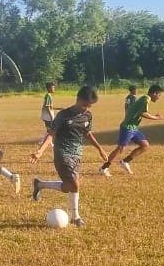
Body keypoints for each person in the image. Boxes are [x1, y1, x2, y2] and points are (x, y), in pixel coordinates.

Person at [29, 85, 107, 228]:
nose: (86, 108)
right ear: (77, 99)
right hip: (62, 154)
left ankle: (40, 184)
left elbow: (87, 133)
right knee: (75, 184)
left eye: (89, 106)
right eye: (84, 105)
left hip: (77, 154)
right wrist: (40, 151)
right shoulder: (63, 115)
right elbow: (51, 134)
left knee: (67, 187)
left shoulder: (88, 116)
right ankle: (76, 217)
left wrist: (100, 148)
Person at [99, 84, 163, 176]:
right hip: (128, 127)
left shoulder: (145, 99)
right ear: (154, 93)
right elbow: (143, 113)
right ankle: (104, 168)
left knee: (145, 145)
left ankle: (125, 161)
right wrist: (156, 118)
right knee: (121, 149)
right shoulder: (146, 99)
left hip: (134, 128)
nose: (159, 97)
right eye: (159, 95)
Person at [38, 82, 57, 146]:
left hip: (46, 115)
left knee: (49, 130)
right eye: (53, 87)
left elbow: (50, 107)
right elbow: (48, 107)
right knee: (50, 130)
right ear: (49, 88)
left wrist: (59, 108)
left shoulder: (48, 95)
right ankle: (42, 141)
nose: (54, 89)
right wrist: (51, 117)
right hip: (48, 116)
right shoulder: (48, 96)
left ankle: (49, 142)